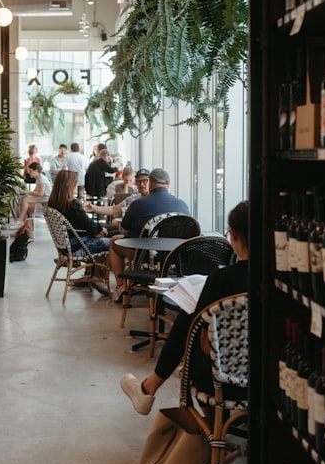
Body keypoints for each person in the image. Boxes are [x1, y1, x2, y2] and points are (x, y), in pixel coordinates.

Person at [120, 200, 249, 415]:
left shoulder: (222, 280)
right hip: (273, 380)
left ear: (233, 234)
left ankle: (150, 388)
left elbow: (201, 339)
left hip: (222, 382)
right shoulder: (283, 279)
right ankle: (148, 387)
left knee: (190, 322)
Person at [106, 168, 189, 298]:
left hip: (143, 256)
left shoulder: (138, 203)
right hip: (173, 257)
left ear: (150, 184)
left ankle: (121, 288)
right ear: (168, 184)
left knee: (114, 241)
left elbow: (124, 231)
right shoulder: (182, 205)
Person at [47, 170, 110, 256]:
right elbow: (88, 224)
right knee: (115, 242)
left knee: (110, 229)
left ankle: (93, 269)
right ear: (70, 185)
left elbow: (74, 221)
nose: (77, 186)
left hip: (67, 246)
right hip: (80, 246)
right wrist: (101, 230)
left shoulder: (53, 203)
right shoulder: (72, 204)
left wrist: (81, 210)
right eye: (75, 183)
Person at [14, 162, 51, 239]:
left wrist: (27, 192)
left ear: (36, 170)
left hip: (45, 202)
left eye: (30, 171)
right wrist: (27, 193)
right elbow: (36, 193)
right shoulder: (39, 178)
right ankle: (23, 231)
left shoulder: (42, 178)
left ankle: (20, 223)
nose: (29, 173)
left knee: (25, 201)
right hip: (42, 200)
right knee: (24, 201)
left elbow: (40, 193)